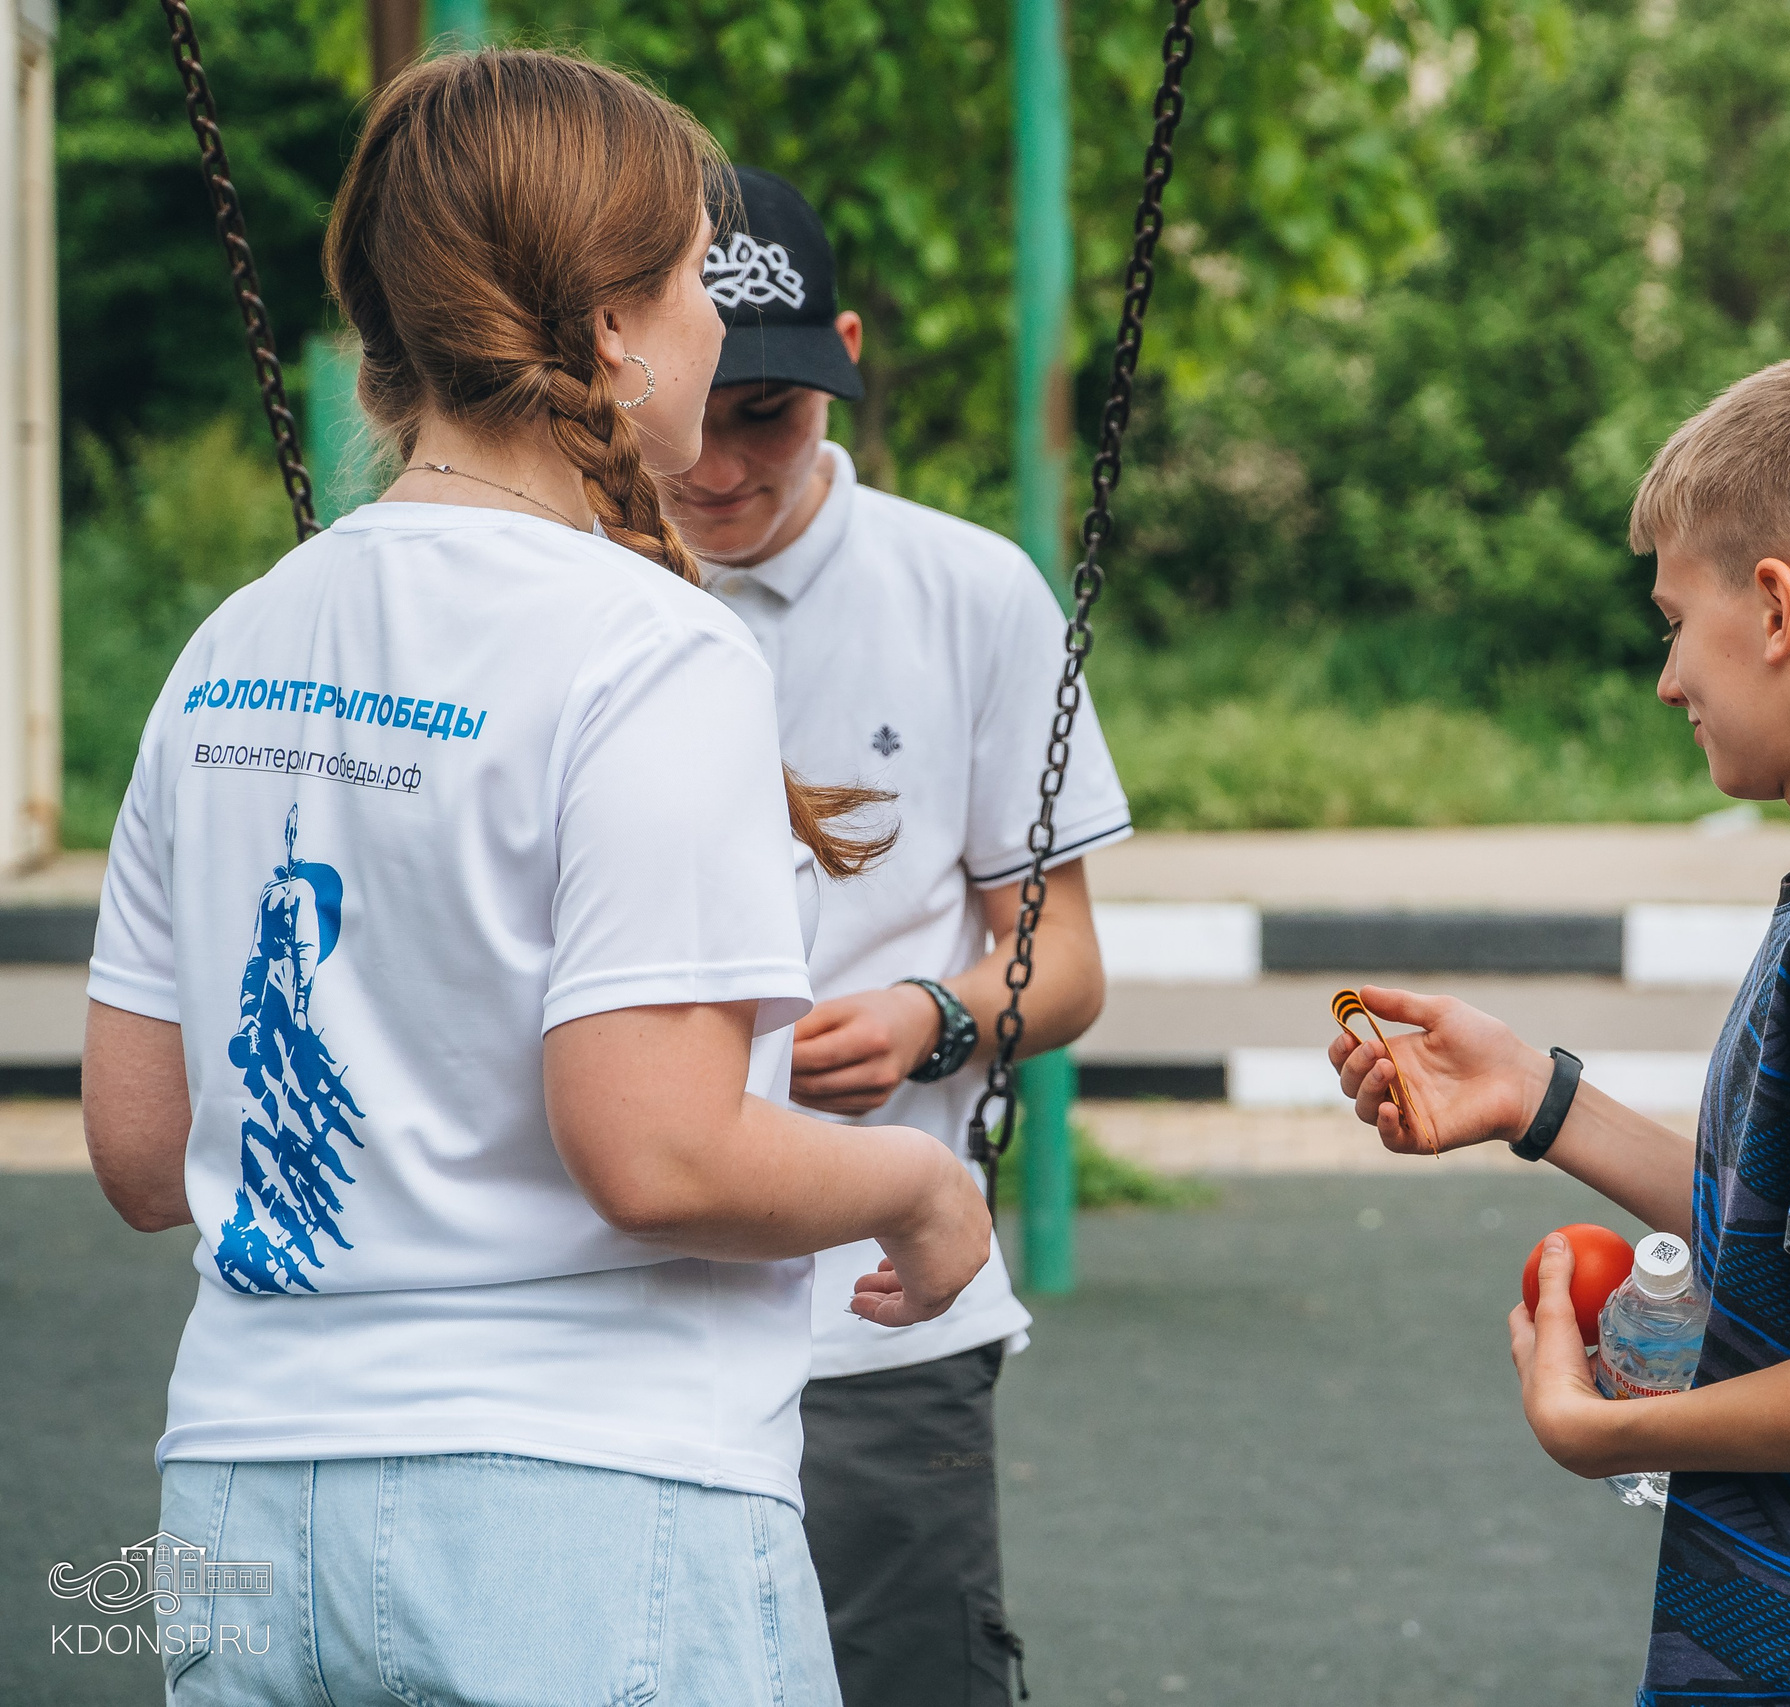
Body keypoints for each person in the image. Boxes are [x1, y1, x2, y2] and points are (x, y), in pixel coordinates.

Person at [79, 49, 990, 1703]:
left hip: (239, 1500)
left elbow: (145, 1153)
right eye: (704, 281)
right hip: (581, 1509)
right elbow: (657, 1154)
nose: (721, 329)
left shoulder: (230, 642)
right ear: (619, 327)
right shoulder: (654, 653)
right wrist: (925, 1188)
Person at [1330, 352, 1790, 1707]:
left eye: (1677, 620)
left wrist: (1604, 1428)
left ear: (1778, 608)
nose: (1670, 677)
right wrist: (1540, 1099)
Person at [664, 166, 1128, 1704]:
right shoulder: (580, 594)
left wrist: (939, 1013)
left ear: (841, 359)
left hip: (873, 1318)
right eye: (697, 410)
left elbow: (1060, 956)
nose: (723, 464)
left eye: (770, 416)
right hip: (622, 1307)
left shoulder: (968, 591)